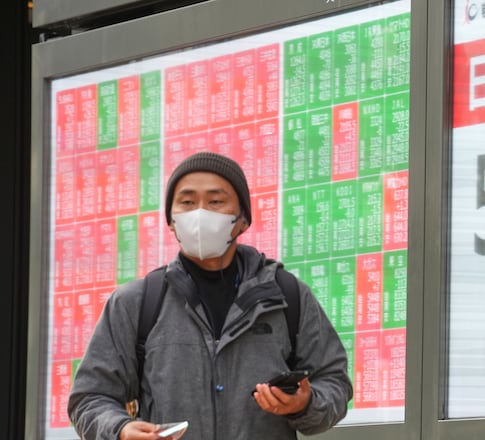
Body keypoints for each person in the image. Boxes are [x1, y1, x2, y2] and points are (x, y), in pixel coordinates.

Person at [68, 151, 353, 439]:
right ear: (171, 220)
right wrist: (120, 429)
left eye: (216, 201)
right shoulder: (137, 303)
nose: (200, 213)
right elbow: (90, 398)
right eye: (187, 202)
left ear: (242, 219)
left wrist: (304, 404)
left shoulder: (286, 295)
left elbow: (334, 383)